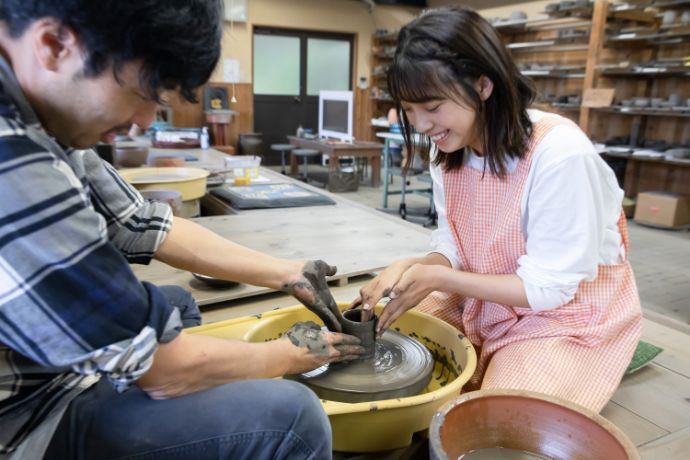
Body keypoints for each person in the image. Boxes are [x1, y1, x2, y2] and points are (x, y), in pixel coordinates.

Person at [0, 1, 363, 459]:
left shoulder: (43, 113)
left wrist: (287, 272)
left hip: (42, 370)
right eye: (146, 92)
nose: (148, 121)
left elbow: (137, 223)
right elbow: (166, 370)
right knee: (293, 419)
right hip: (25, 421)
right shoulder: (12, 164)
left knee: (177, 304)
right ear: (55, 45)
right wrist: (293, 353)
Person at [351, 5, 642, 413]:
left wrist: (438, 277)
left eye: (432, 107)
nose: (420, 125)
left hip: (565, 307)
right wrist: (418, 265)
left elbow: (548, 287)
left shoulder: (558, 153)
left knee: (496, 416)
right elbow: (455, 245)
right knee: (388, 327)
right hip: (490, 287)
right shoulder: (448, 149)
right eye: (409, 109)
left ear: (483, 85)